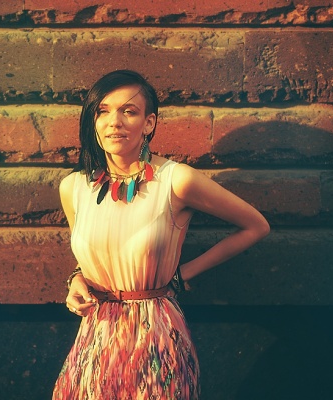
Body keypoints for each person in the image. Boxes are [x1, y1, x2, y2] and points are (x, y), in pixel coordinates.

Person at [52, 70, 270, 399]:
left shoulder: (175, 180)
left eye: (128, 111)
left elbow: (256, 226)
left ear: (149, 123)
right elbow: (93, 253)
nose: (114, 122)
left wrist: (183, 274)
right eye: (103, 111)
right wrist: (77, 279)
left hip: (155, 336)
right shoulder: (74, 187)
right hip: (96, 337)